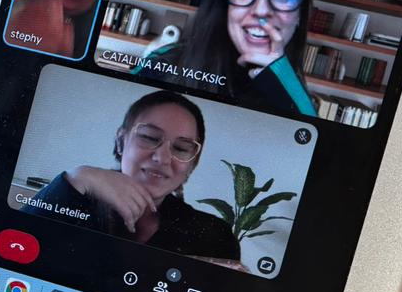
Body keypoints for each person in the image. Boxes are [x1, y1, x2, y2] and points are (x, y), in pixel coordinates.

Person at [25, 90, 241, 260]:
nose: (163, 158)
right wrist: (79, 176)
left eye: (181, 148)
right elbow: (16, 244)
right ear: (121, 142)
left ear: (192, 164)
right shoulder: (72, 193)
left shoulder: (215, 236)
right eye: (149, 137)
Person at [138, 0, 316, 115]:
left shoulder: (298, 98)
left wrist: (286, 88)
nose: (261, 10)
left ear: (300, 15)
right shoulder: (163, 62)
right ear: (226, 6)